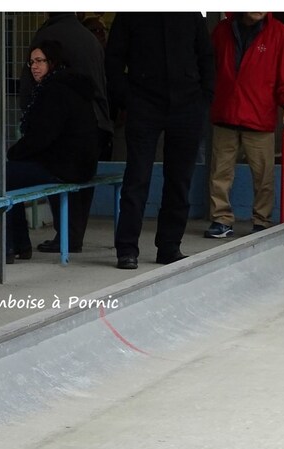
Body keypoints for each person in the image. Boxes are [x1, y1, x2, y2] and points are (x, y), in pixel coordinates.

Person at [0, 40, 99, 265]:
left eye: (40, 61)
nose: (34, 66)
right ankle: (18, 244)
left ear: (53, 62)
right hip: (78, 165)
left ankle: (7, 246)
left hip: (65, 165)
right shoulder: (68, 85)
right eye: (31, 62)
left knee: (3, 176)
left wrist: (13, 152)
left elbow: (42, 136)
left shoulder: (54, 90)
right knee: (12, 175)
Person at [106, 13, 215, 269]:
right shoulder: (130, 13)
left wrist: (204, 99)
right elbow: (113, 58)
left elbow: (206, 56)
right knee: (137, 178)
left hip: (187, 105)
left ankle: (169, 246)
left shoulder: (190, 14)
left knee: (179, 181)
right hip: (144, 105)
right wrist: (127, 99)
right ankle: (127, 249)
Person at [20, 12, 113, 254]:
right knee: (81, 184)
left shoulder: (49, 36)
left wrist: (29, 115)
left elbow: (32, 97)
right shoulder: (90, 37)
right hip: (97, 122)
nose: (35, 66)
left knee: (52, 170)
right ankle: (72, 236)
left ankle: (62, 237)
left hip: (66, 127)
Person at [204, 12, 284, 239]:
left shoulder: (278, 33)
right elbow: (209, 66)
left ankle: (262, 221)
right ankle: (220, 219)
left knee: (263, 175)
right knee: (220, 172)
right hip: (225, 113)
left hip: (259, 116)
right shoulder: (222, 31)